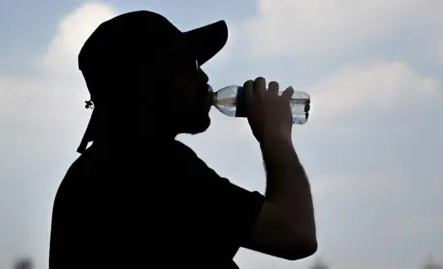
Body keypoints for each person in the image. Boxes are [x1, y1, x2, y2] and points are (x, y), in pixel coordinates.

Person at [49, 10, 317, 269]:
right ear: (153, 82)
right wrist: (275, 135)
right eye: (191, 66)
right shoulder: (150, 167)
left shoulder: (92, 172)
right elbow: (295, 233)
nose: (204, 77)